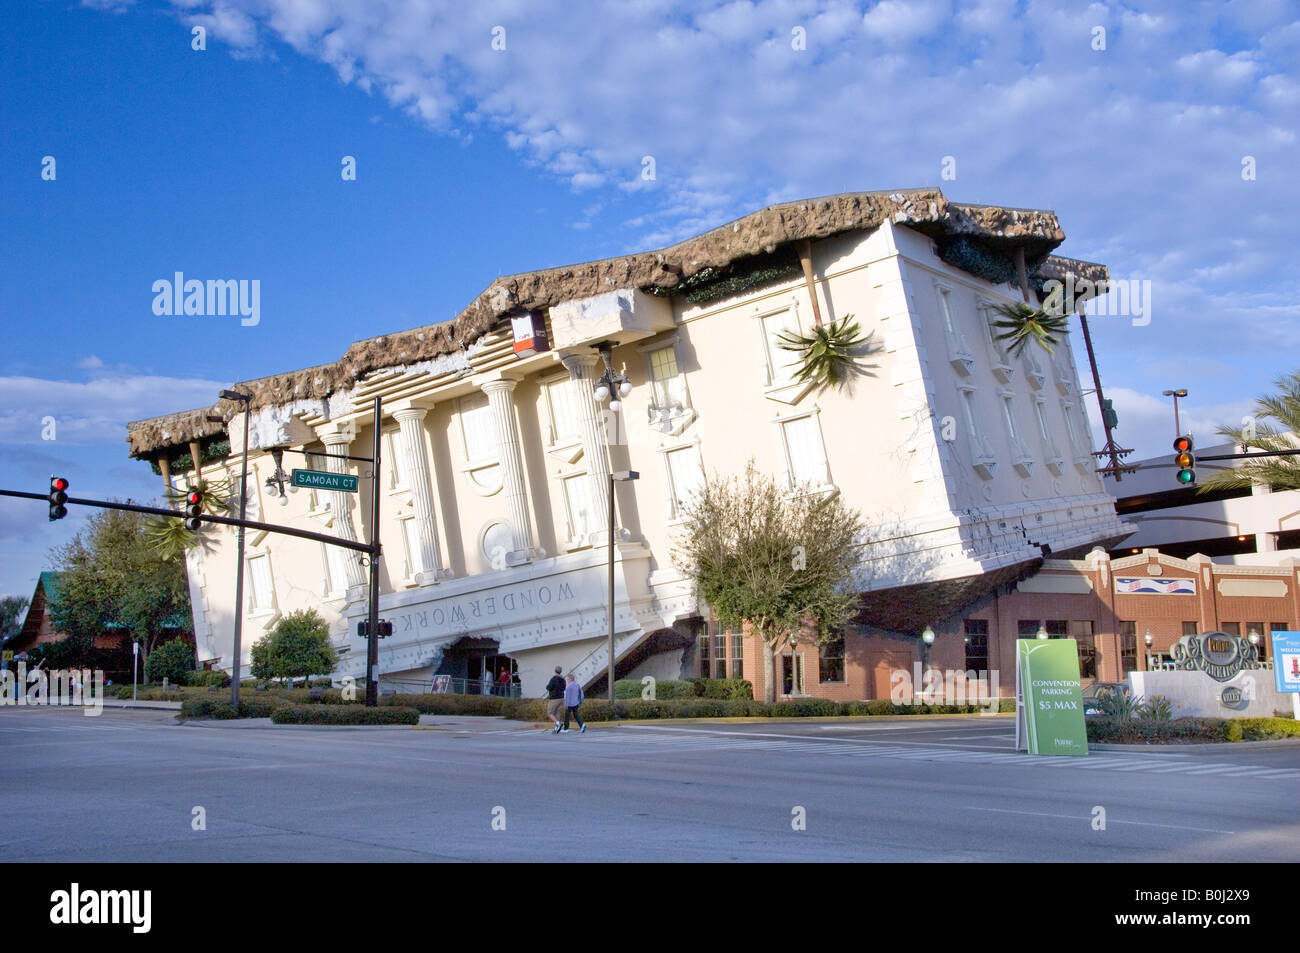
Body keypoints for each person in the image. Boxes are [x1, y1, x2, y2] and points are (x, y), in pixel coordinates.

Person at [544, 666, 567, 733]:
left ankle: (558, 723)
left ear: (555, 671)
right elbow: (564, 688)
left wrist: (547, 686)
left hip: (554, 698)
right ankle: (556, 728)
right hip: (561, 698)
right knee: (557, 713)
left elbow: (549, 687)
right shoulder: (563, 679)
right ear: (561, 671)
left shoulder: (553, 679)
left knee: (550, 713)